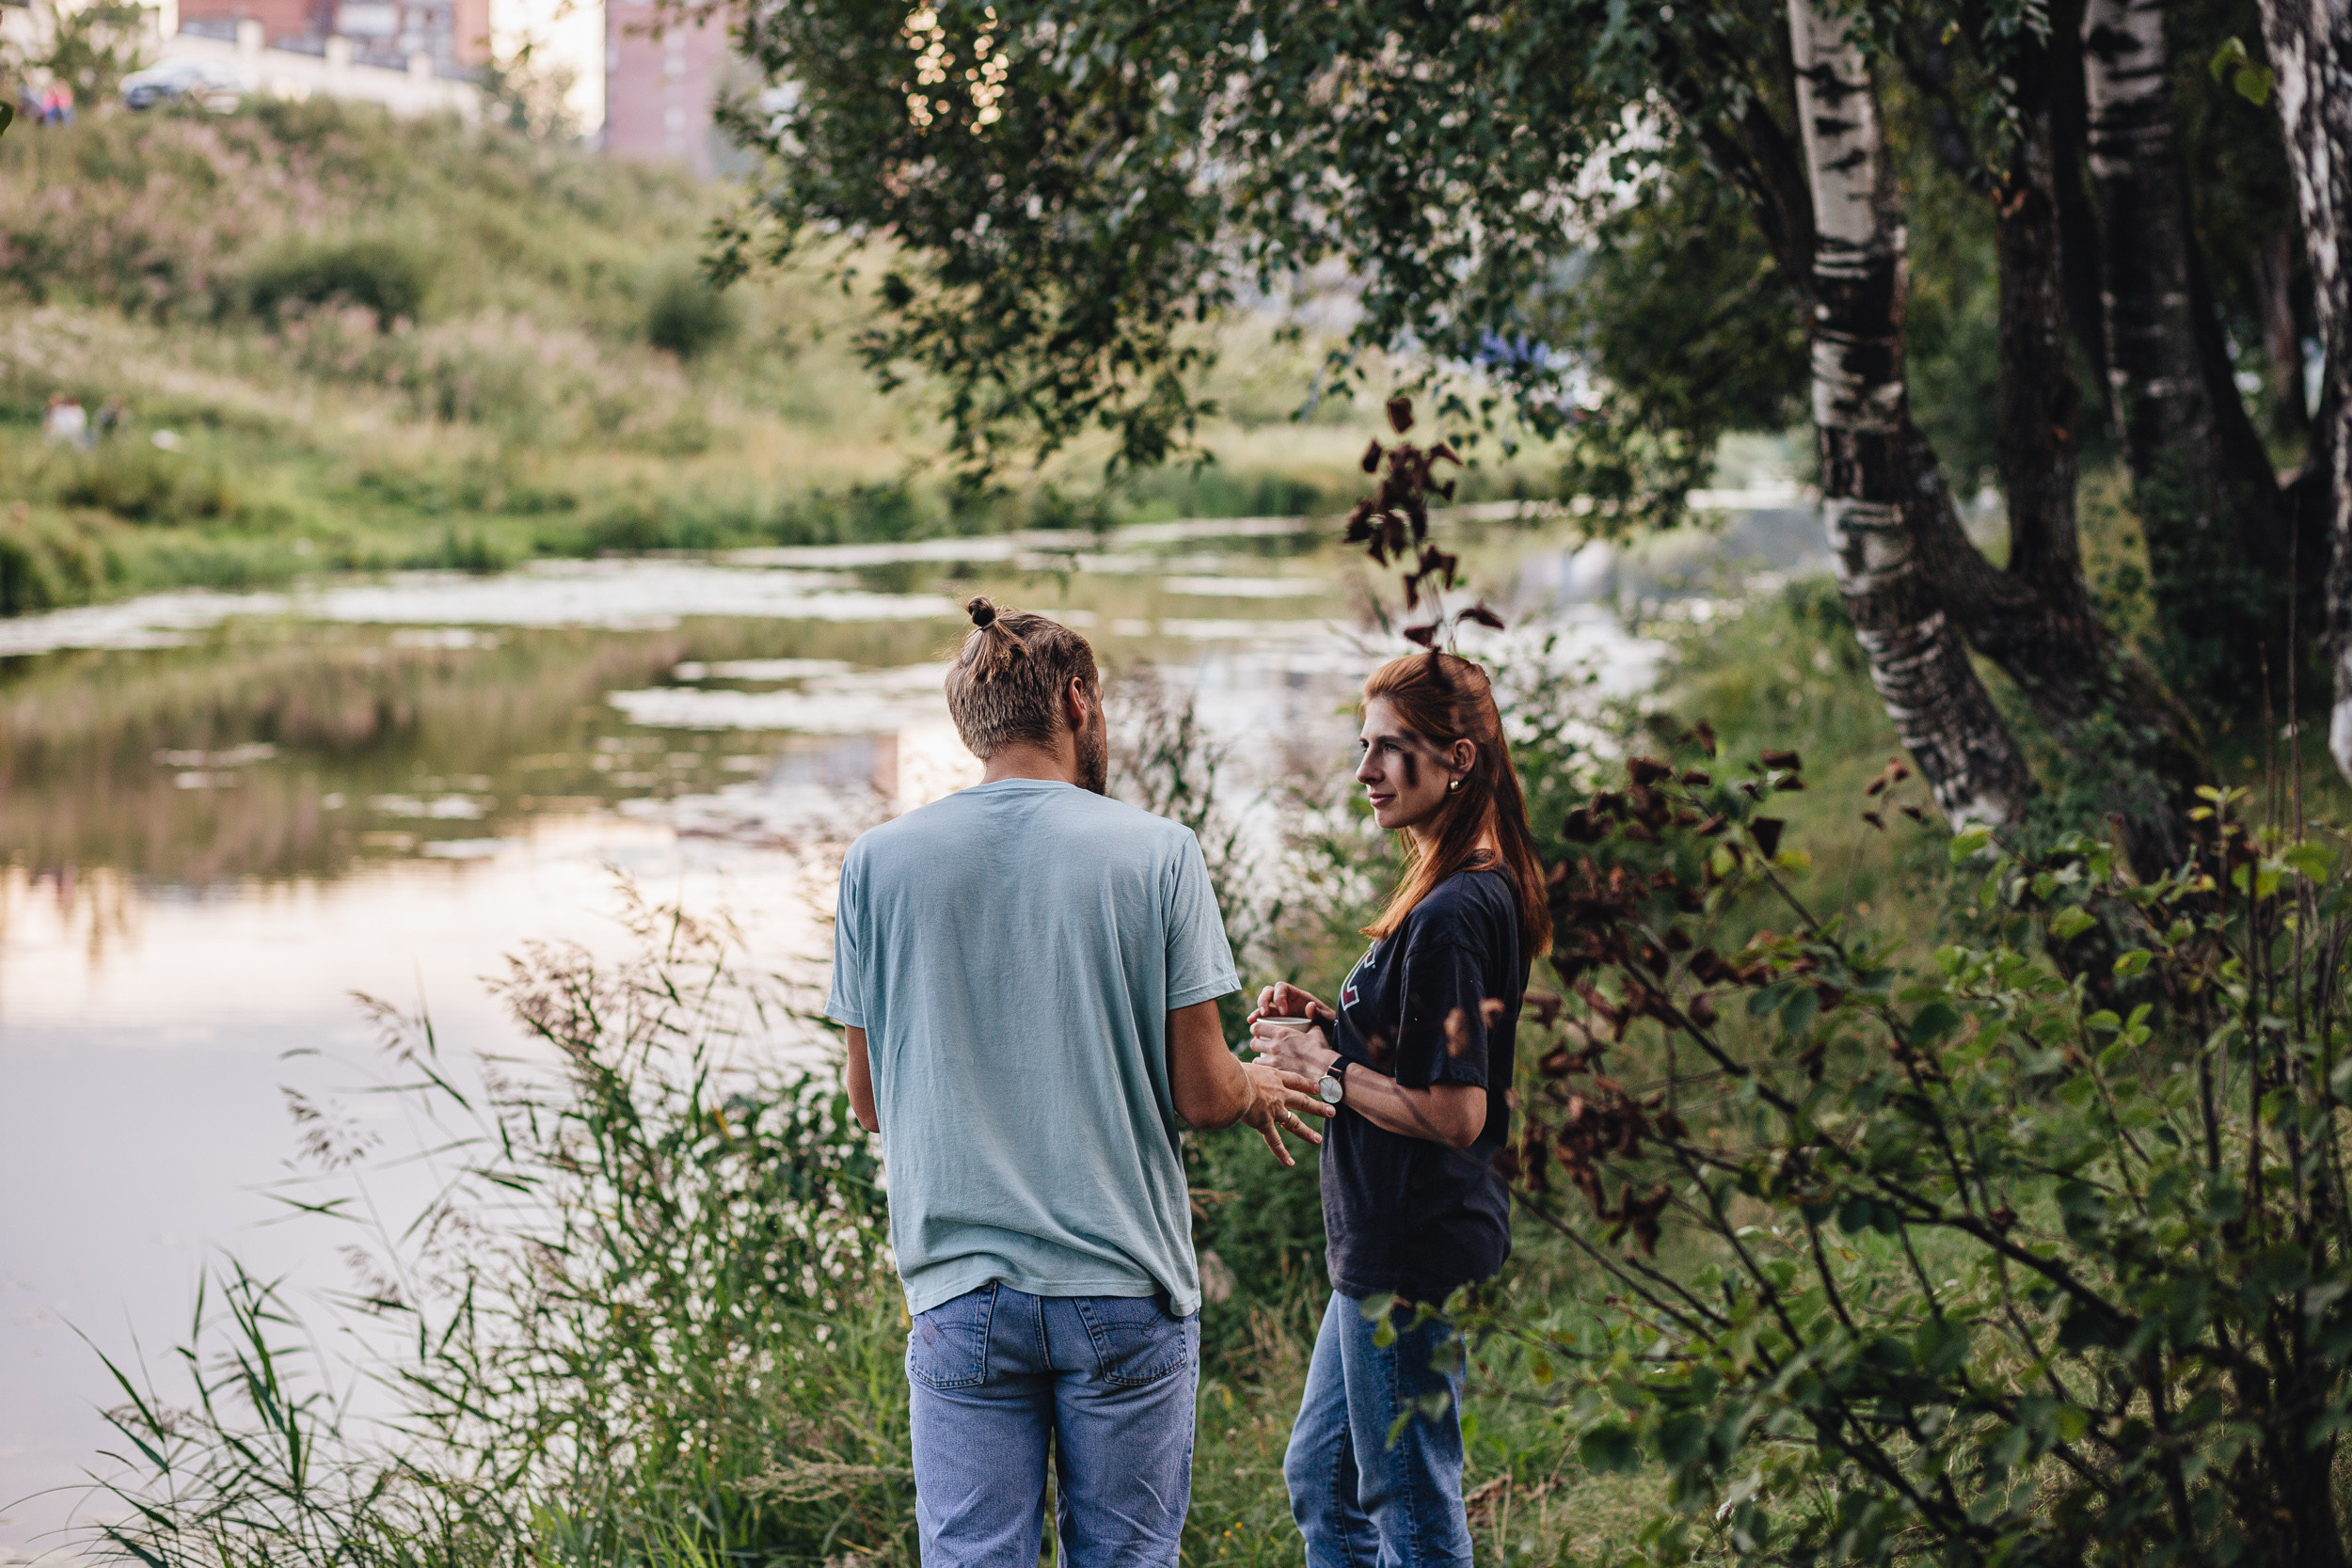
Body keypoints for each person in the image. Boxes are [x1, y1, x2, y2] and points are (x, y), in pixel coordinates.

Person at [826, 596, 1334, 1568]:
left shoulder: (877, 865)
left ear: (969, 720)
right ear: (1076, 700)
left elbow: (870, 1101)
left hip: (961, 1290)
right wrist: (1260, 1086)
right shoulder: (1156, 853)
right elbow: (1202, 1089)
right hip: (1119, 1282)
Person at [1249, 650, 1553, 1568]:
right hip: (1393, 1241)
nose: (1363, 771)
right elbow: (1427, 1044)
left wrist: (1326, 1067)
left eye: (1390, 749)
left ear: (1457, 759)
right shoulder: (1462, 882)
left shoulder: (1455, 906)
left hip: (1406, 1248)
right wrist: (1337, 1023)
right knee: (1325, 1480)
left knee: (1407, 1507)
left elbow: (1456, 1109)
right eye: (1361, 745)